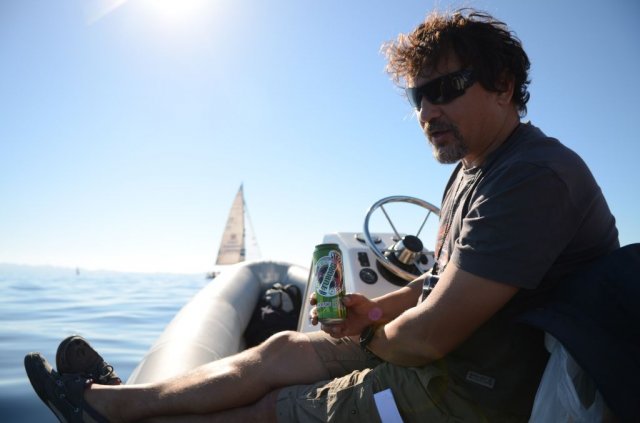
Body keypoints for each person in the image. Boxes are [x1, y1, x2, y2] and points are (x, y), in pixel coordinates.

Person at [24, 8, 619, 422]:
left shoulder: (533, 177)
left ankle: (105, 413)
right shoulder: (475, 167)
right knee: (282, 349)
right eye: (418, 96)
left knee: (274, 410)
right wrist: (373, 311)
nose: (426, 112)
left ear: (504, 86)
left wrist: (368, 332)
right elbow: (436, 285)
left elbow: (431, 335)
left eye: (445, 89)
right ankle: (118, 404)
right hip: (457, 357)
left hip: (475, 393)